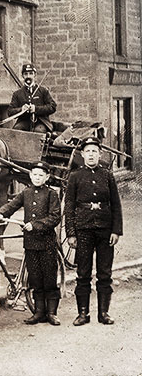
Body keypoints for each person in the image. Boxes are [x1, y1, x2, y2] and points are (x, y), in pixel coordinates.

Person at [0, 161, 62, 325]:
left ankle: (52, 313)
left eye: (41, 175)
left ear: (47, 177)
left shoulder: (52, 194)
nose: (37, 178)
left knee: (49, 278)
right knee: (35, 278)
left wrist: (36, 225)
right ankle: (38, 313)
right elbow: (11, 205)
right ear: (30, 176)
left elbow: (55, 217)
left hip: (47, 244)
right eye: (35, 174)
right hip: (30, 243)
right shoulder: (26, 193)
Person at [65, 136, 123, 326]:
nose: (91, 155)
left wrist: (116, 230)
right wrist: (71, 233)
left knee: (104, 273)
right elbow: (69, 206)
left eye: (94, 151)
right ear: (82, 154)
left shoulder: (107, 175)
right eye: (88, 151)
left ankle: (103, 313)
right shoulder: (75, 176)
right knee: (83, 273)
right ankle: (83, 314)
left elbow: (116, 204)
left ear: (100, 154)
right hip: (83, 229)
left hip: (105, 230)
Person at [8, 63, 57, 133]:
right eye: (26, 74)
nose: (28, 76)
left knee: (39, 131)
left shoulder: (43, 91)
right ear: (22, 76)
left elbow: (52, 107)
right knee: (17, 130)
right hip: (24, 122)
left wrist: (36, 109)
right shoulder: (17, 94)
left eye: (31, 73)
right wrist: (21, 109)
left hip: (41, 122)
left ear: (35, 75)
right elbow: (10, 111)